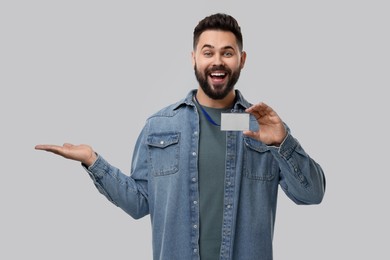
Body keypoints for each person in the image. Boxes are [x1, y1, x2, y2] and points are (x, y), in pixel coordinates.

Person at [35, 13, 326, 260]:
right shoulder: (160, 126)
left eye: (227, 52)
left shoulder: (263, 128)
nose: (218, 61)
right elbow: (139, 203)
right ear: (194, 58)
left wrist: (282, 142)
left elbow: (312, 195)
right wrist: (93, 161)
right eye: (208, 51)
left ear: (242, 59)